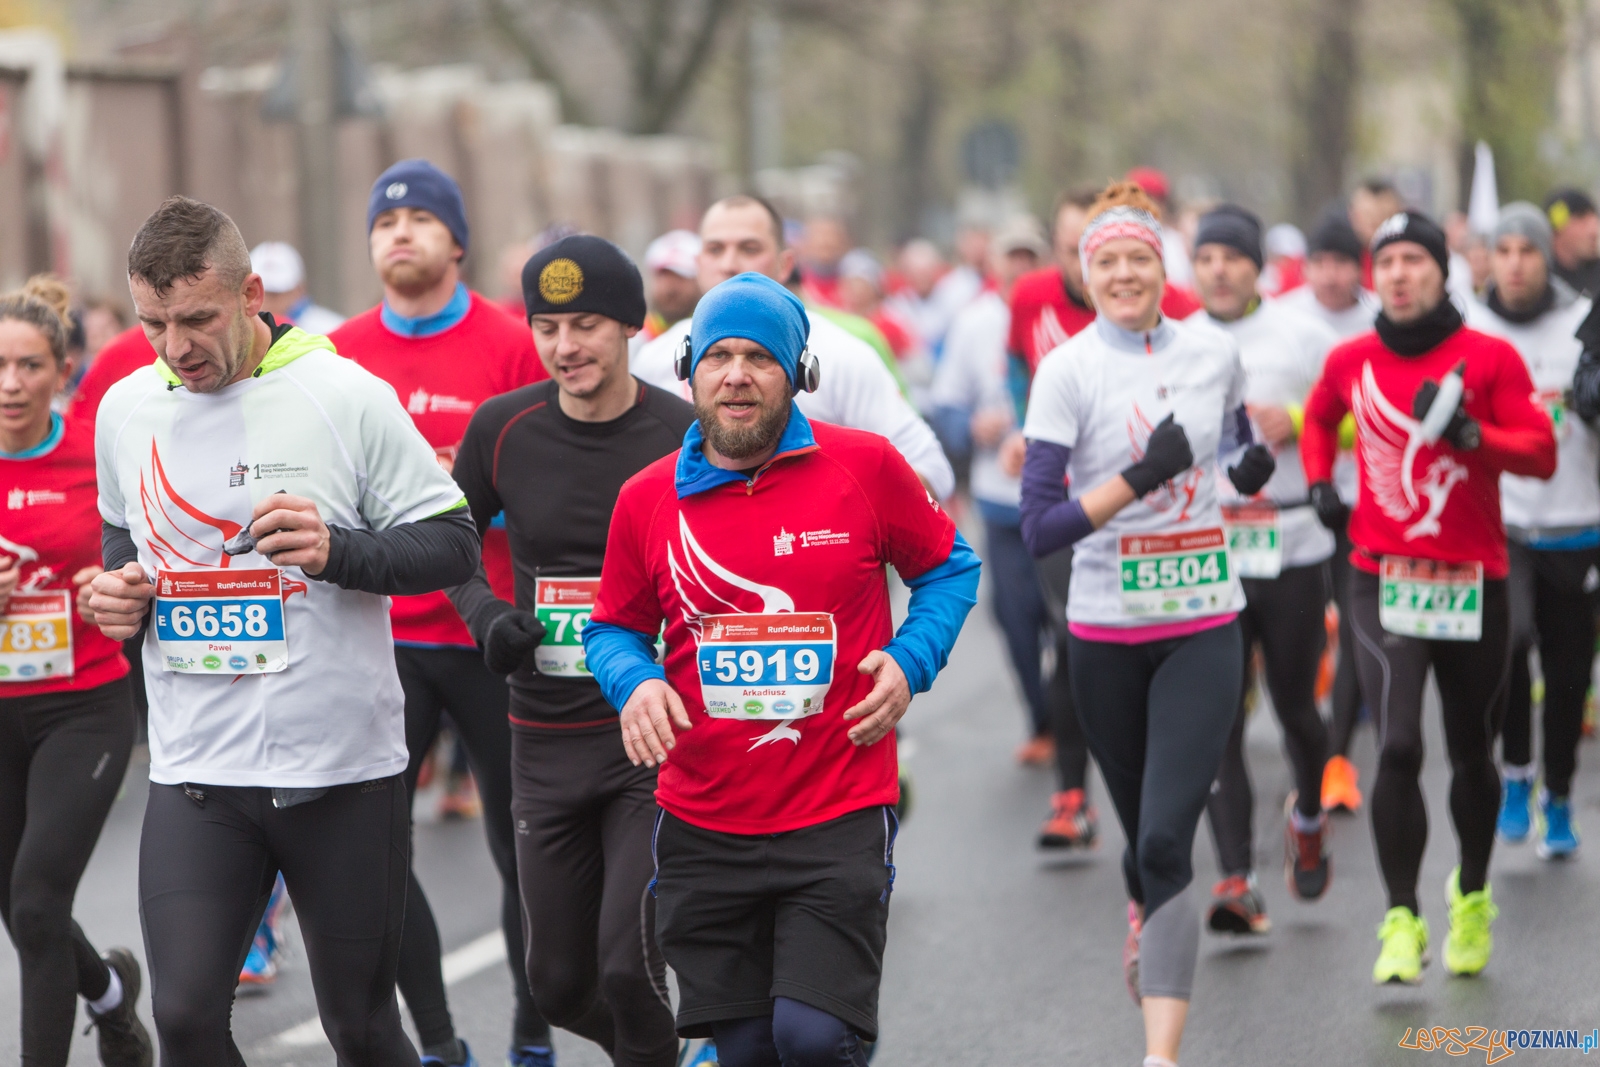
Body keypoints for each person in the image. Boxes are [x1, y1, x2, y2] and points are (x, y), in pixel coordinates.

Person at [88, 195, 480, 1065]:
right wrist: (123, 592)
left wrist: (339, 551)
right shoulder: (125, 408)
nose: (175, 346)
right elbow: (123, 531)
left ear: (251, 294)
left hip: (338, 772)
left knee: (361, 1028)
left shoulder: (344, 394)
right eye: (153, 323)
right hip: (197, 771)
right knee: (184, 1019)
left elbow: (454, 542)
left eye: (197, 318)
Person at [583, 271, 980, 1067]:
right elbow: (613, 628)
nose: (736, 375)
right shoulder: (646, 498)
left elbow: (950, 568)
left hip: (837, 807)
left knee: (813, 1036)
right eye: (719, 356)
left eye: (760, 358)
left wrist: (910, 659)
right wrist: (637, 680)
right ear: (690, 370)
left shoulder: (865, 467)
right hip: (704, 819)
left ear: (799, 374)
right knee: (747, 1050)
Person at [1018, 180, 1274, 1067]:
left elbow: (1233, 441)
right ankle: (1145, 905)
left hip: (1204, 619)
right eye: (1108, 262)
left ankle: (1159, 1054)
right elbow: (1040, 526)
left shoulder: (1212, 350)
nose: (1124, 274)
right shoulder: (1067, 370)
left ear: (1165, 270)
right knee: (1141, 840)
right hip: (1104, 633)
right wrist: (1139, 475)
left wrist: (1247, 467)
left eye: (1140, 259)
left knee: (1167, 837)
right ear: (1086, 276)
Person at [327, 158, 553, 1067]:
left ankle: (532, 1032)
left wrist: (461, 493)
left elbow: (549, 480)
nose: (401, 232)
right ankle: (438, 1042)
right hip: (379, 637)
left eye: (421, 218)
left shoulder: (512, 345)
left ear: (456, 241)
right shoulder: (336, 353)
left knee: (524, 850)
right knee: (373, 855)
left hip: (492, 633)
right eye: (385, 221)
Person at [446, 235, 691, 1067]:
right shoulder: (502, 428)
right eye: (547, 327)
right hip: (544, 735)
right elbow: (449, 543)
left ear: (630, 325)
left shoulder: (681, 431)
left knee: (627, 967)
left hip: (649, 737)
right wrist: (486, 614)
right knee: (556, 983)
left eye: (585, 324)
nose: (565, 346)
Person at [1301, 210, 1555, 984]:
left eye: (1416, 259)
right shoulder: (1351, 357)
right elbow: (1319, 417)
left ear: (1444, 273)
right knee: (1399, 744)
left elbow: (1541, 452)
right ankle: (1401, 916)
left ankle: (1470, 895)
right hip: (1383, 575)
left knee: (1472, 752)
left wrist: (1476, 437)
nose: (1399, 273)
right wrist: (1319, 480)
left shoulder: (1489, 357)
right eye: (1387, 262)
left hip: (1474, 581)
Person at [0, 276, 150, 1066]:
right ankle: (112, 995)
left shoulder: (100, 450)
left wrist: (120, 581)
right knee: (22, 909)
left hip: (82, 706)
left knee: (36, 901)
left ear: (63, 371)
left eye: (29, 365)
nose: (10, 383)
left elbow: (160, 552)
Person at [1186, 205, 1336, 935]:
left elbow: (1358, 418)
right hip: (1207, 547)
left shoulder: (1302, 335)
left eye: (1233, 257)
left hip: (1292, 543)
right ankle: (1236, 877)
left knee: (1295, 706)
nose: (1219, 270)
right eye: (1206, 257)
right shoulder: (1178, 341)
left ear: (1258, 267)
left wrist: (1301, 419)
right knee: (1220, 713)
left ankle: (1307, 816)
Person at [631, 195, 956, 500]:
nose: (729, 263)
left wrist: (831, 515)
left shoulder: (842, 354)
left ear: (785, 264)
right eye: (715, 250)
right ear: (698, 263)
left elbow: (931, 470)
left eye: (749, 248)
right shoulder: (656, 357)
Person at [1465, 202, 1599, 859]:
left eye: (1527, 250)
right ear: (1489, 258)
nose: (1515, 263)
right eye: (1504, 250)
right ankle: (1516, 771)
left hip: (1578, 521)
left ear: (1547, 256)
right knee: (1511, 645)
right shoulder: (1470, 324)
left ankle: (1561, 794)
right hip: (1504, 524)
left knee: (1570, 675)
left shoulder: (1584, 321)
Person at [1278, 210, 1379, 815]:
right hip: (1297, 500)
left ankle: (1337, 760)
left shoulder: (1380, 319)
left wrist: (1300, 422)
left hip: (1363, 499)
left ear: (1359, 267)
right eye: (1320, 262)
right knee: (1303, 628)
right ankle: (1306, 734)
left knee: (1360, 627)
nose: (1331, 275)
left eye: (1342, 262)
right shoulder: (1284, 318)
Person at [1008, 186, 1201, 377]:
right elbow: (1014, 367)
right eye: (1073, 251)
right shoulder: (1028, 295)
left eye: (1100, 255)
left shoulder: (1164, 298)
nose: (1081, 267)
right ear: (1055, 242)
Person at [248, 241, 345, 335]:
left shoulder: (331, 330)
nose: (265, 300)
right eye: (257, 292)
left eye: (276, 294)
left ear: (299, 289)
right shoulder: (244, 332)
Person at [640, 229, 703, 346]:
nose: (670, 288)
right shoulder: (635, 337)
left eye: (680, 276)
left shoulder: (711, 335)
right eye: (663, 276)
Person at [1545, 188, 1600, 298]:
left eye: (1595, 220)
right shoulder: (1540, 284)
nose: (1594, 231)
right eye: (1581, 218)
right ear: (1558, 228)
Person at [797, 215, 852, 308]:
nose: (825, 241)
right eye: (819, 235)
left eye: (831, 235)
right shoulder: (796, 283)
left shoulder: (852, 285)